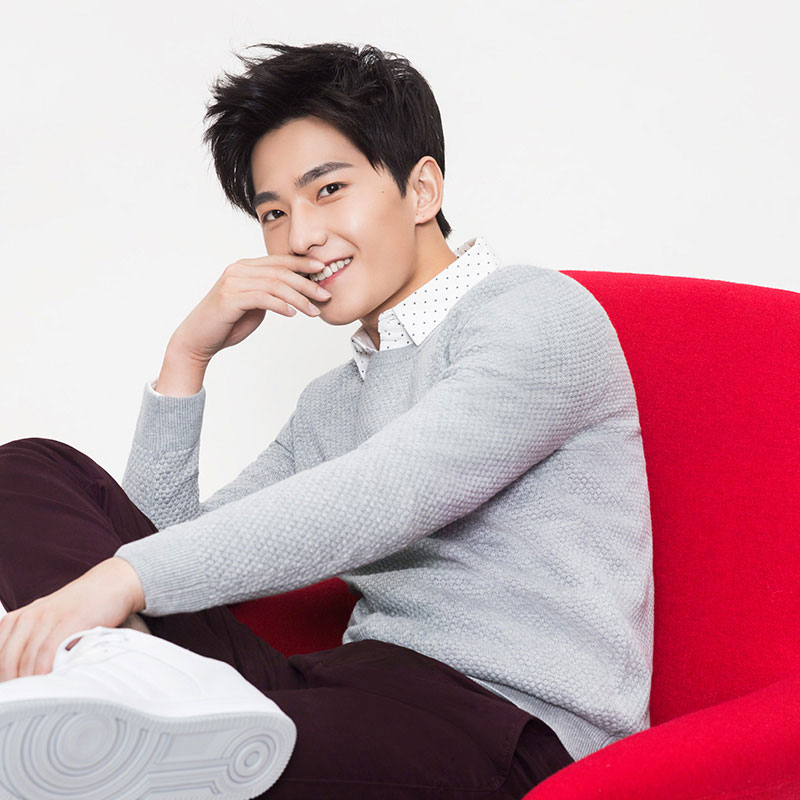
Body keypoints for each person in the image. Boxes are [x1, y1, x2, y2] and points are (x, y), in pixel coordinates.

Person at [0, 41, 654, 799]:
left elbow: (390, 490)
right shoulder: (334, 399)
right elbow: (165, 549)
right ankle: (131, 691)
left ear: (422, 190)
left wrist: (122, 581)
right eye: (274, 213)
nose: (300, 237)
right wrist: (187, 359)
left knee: (201, 739)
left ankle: (127, 706)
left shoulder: (536, 313)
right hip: (340, 686)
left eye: (329, 189)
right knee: (26, 471)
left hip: (507, 725)